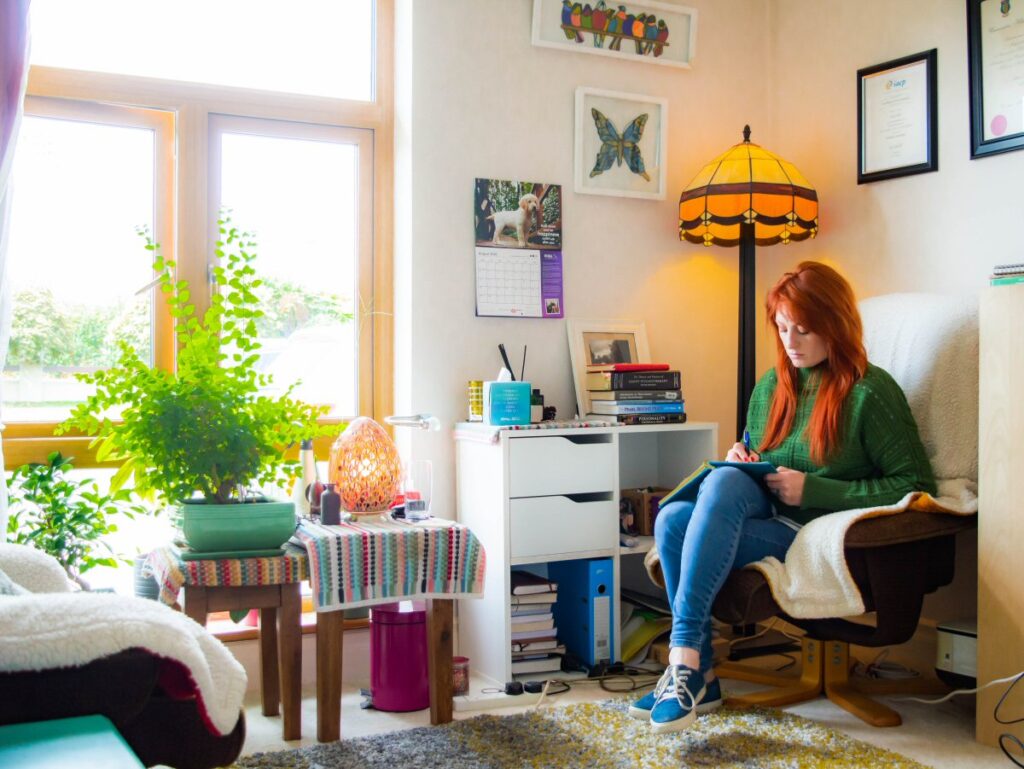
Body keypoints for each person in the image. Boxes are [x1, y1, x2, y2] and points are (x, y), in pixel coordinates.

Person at [631, 261, 936, 734]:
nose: (790, 342)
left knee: (684, 514)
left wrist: (814, 488)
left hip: (804, 527)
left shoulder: (870, 394)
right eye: (782, 328)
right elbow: (758, 450)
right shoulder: (772, 386)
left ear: (835, 326)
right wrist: (743, 455)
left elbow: (916, 484)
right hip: (761, 509)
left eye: (804, 330)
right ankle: (696, 668)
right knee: (675, 513)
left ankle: (688, 662)